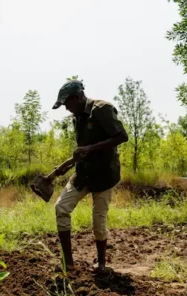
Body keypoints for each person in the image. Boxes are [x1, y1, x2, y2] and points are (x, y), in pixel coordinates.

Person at [50, 80, 128, 272]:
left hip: (104, 175)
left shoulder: (102, 109)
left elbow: (122, 136)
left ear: (77, 97)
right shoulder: (77, 117)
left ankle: (101, 264)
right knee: (61, 207)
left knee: (98, 223)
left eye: (67, 104)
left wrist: (90, 148)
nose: (67, 109)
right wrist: (67, 165)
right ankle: (68, 264)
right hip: (83, 174)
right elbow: (83, 151)